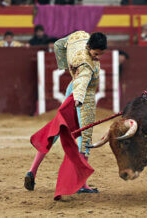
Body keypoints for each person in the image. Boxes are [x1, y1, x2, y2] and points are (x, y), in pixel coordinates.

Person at [25, 31, 107, 194]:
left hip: (72, 88)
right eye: (96, 54)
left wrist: (64, 66)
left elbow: (58, 45)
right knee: (85, 137)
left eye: (101, 54)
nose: (98, 57)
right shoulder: (86, 64)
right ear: (89, 47)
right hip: (81, 97)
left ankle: (32, 171)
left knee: (56, 131)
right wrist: (79, 99)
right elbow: (83, 82)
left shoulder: (79, 37)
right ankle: (82, 184)